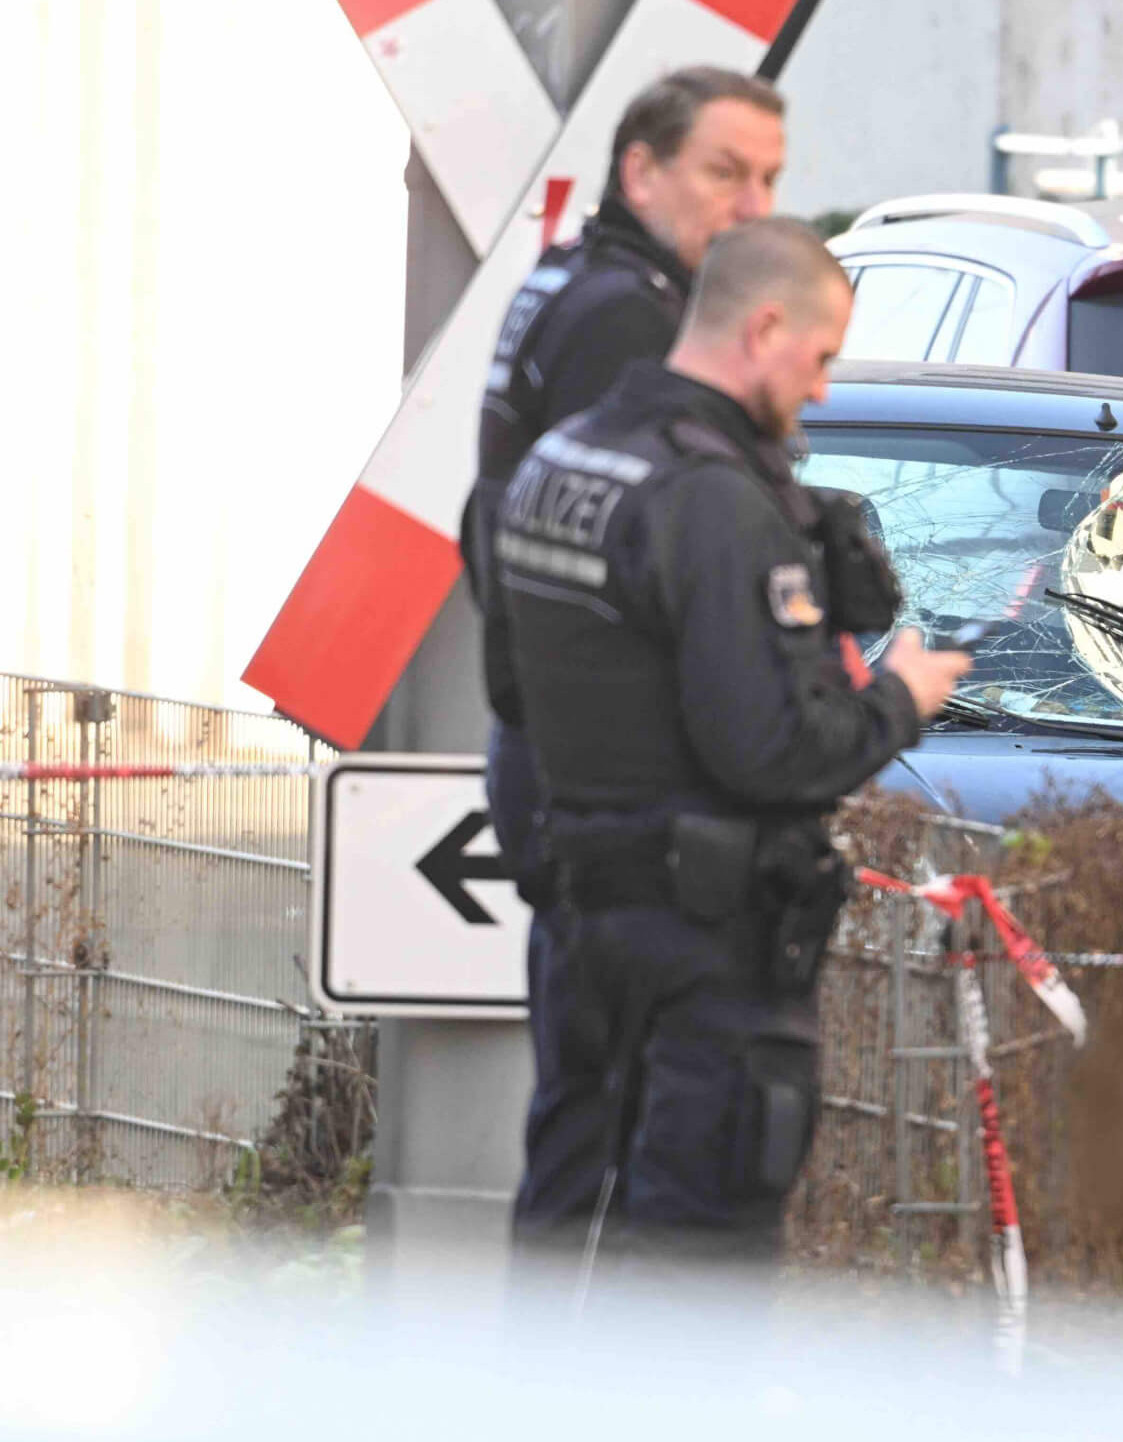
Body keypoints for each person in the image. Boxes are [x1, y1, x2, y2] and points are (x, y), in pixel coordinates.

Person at [493, 217, 972, 1269]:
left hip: (583, 918)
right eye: (821, 355)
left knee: (567, 1209)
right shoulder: (709, 500)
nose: (823, 389)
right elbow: (771, 748)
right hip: (704, 943)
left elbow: (513, 680)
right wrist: (900, 696)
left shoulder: (562, 457)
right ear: (763, 328)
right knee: (695, 1254)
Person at [456, 66, 785, 1250]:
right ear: (640, 171)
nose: (751, 206)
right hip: (603, 786)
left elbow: (486, 528)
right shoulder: (630, 324)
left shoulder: (572, 282)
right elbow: (611, 573)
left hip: (559, 765)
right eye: (722, 171)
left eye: (770, 180)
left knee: (585, 1124)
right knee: (625, 1151)